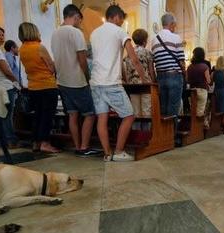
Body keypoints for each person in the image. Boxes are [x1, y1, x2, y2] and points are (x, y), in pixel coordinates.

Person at [90, 4, 146, 162]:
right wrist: (145, 79)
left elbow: (111, 58)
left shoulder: (94, 33)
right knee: (129, 115)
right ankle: (119, 151)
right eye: (121, 19)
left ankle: (107, 154)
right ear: (115, 17)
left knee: (102, 118)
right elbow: (134, 58)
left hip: (95, 83)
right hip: (111, 83)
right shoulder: (119, 31)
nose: (121, 22)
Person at [51, 4, 99, 157]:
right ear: (76, 17)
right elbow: (82, 59)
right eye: (80, 20)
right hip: (77, 80)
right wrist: (87, 76)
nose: (80, 23)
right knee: (89, 114)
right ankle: (84, 147)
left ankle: (77, 145)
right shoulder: (75, 33)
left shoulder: (55, 33)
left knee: (72, 115)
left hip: (62, 80)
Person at [19, 22, 60, 154]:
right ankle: (45, 143)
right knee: (47, 116)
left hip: (33, 87)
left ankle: (36, 143)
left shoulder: (22, 49)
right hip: (47, 85)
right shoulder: (39, 47)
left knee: (37, 116)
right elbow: (51, 68)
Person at [151, 13, 185, 116]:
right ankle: (171, 132)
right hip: (174, 76)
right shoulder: (176, 38)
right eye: (174, 25)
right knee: (173, 110)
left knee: (163, 109)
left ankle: (163, 132)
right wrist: (184, 73)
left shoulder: (154, 40)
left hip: (160, 77)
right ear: (171, 24)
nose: (175, 27)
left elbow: (154, 60)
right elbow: (181, 61)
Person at [123, 28, 155, 117]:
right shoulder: (147, 52)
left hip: (132, 84)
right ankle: (146, 131)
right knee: (147, 110)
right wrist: (154, 81)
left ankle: (137, 130)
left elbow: (126, 69)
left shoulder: (129, 53)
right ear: (145, 40)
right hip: (145, 84)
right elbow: (151, 70)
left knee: (135, 111)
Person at [187, 47, 211, 117]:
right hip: (202, 90)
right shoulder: (205, 66)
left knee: (193, 111)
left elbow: (187, 79)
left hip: (192, 90)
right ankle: (199, 127)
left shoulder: (189, 67)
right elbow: (208, 81)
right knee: (200, 113)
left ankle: (193, 127)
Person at [212, 56, 224, 134]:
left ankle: (215, 128)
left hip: (216, 91)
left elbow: (210, 82)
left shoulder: (213, 72)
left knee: (217, 109)